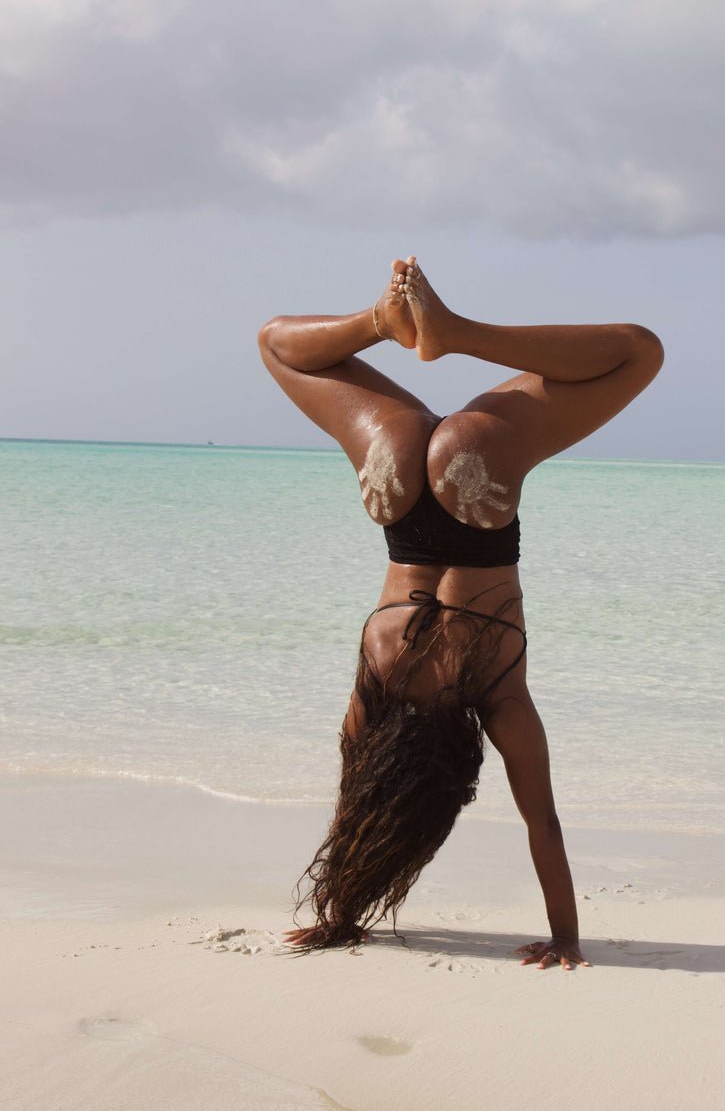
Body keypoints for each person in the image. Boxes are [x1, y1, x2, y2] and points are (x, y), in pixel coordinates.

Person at [257, 257, 663, 969]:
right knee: (273, 343)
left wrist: (567, 937)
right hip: (396, 482)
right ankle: (387, 325)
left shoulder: (496, 695)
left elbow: (544, 822)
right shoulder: (375, 690)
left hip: (479, 482)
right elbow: (356, 807)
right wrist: (339, 911)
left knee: (639, 352)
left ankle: (454, 332)